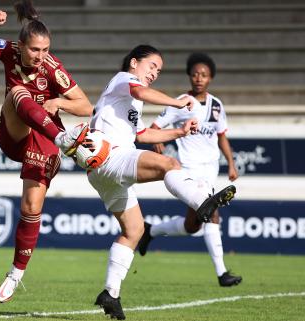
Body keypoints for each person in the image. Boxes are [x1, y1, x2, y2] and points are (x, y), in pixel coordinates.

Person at [84, 45, 236, 320]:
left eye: (159, 70)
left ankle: (111, 293)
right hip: (111, 156)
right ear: (134, 63)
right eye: (152, 66)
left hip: (101, 171)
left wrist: (179, 131)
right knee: (170, 165)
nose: (155, 73)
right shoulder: (123, 79)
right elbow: (141, 91)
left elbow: (142, 134)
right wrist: (177, 103)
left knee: (134, 230)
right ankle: (202, 201)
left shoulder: (130, 100)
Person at [0, 0, 93, 303]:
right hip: (15, 133)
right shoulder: (8, 50)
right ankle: (63, 139)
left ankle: (16, 273)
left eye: (46, 50)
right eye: (35, 50)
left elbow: (86, 106)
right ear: (20, 46)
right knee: (18, 92)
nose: (41, 56)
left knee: (32, 207)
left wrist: (59, 103)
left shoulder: (54, 69)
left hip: (43, 138)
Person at [137, 53, 242, 287]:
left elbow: (221, 135)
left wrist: (231, 163)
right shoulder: (182, 103)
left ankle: (150, 231)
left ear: (211, 78)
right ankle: (222, 273)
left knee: (192, 226)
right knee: (212, 211)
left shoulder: (217, 105)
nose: (198, 78)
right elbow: (155, 126)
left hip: (211, 168)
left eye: (203, 74)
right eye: (194, 74)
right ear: (189, 76)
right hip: (190, 170)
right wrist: (158, 140)